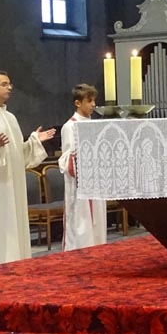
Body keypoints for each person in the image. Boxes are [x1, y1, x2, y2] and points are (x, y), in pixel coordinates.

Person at [0, 71, 55, 268]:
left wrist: (34, 141)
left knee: (14, 224)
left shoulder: (9, 117)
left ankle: (16, 264)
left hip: (12, 184)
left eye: (10, 84)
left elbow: (17, 154)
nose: (10, 87)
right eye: (4, 84)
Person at [59, 83, 107, 251]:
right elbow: (66, 157)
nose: (93, 104)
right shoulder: (69, 126)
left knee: (97, 222)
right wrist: (81, 157)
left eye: (94, 100)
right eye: (89, 101)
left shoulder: (94, 125)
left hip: (96, 183)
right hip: (80, 186)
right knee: (81, 223)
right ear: (78, 103)